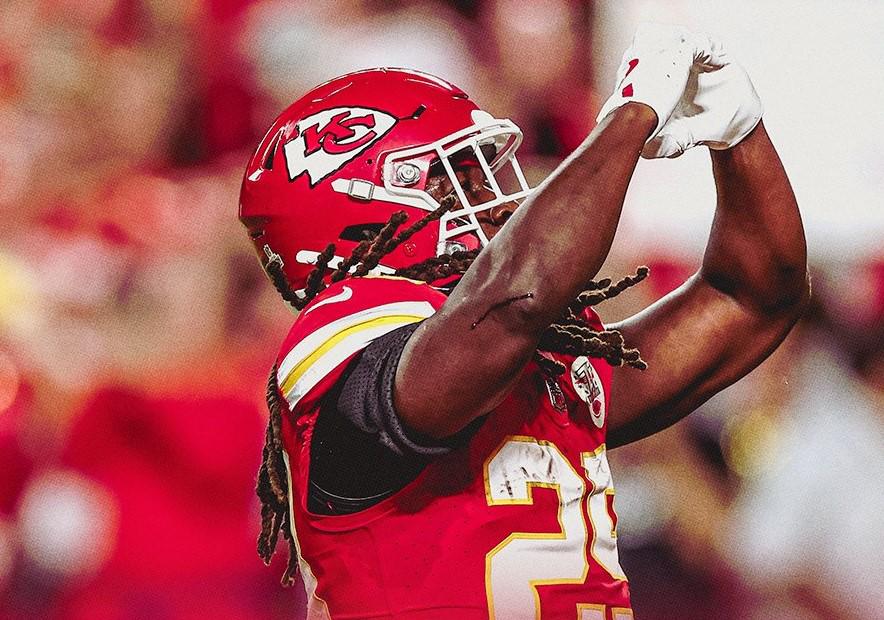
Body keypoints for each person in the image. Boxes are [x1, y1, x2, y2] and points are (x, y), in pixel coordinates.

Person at [238, 24, 809, 619]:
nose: (494, 198)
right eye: (457, 177)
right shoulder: (343, 333)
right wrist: (629, 117)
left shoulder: (525, 354)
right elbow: (515, 302)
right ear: (360, 210)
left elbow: (753, 298)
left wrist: (740, 138)